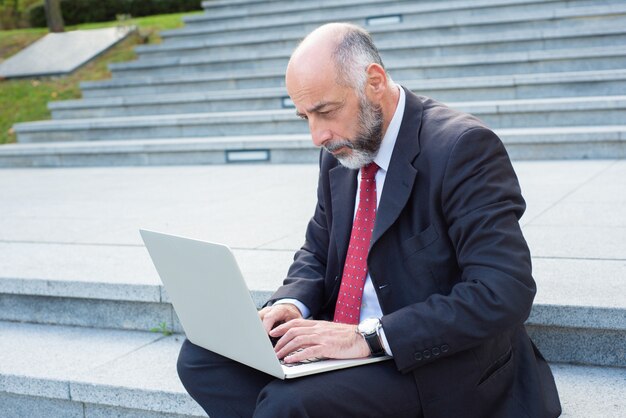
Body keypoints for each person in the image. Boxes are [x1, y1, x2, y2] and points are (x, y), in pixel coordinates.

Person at [177, 22, 562, 418]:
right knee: (202, 358)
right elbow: (317, 249)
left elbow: (504, 290)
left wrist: (369, 337)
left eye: (325, 111)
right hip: (347, 343)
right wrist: (290, 305)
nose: (316, 135)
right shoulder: (341, 149)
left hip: (432, 361)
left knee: (286, 405)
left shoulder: (464, 148)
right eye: (304, 116)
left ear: (374, 82)